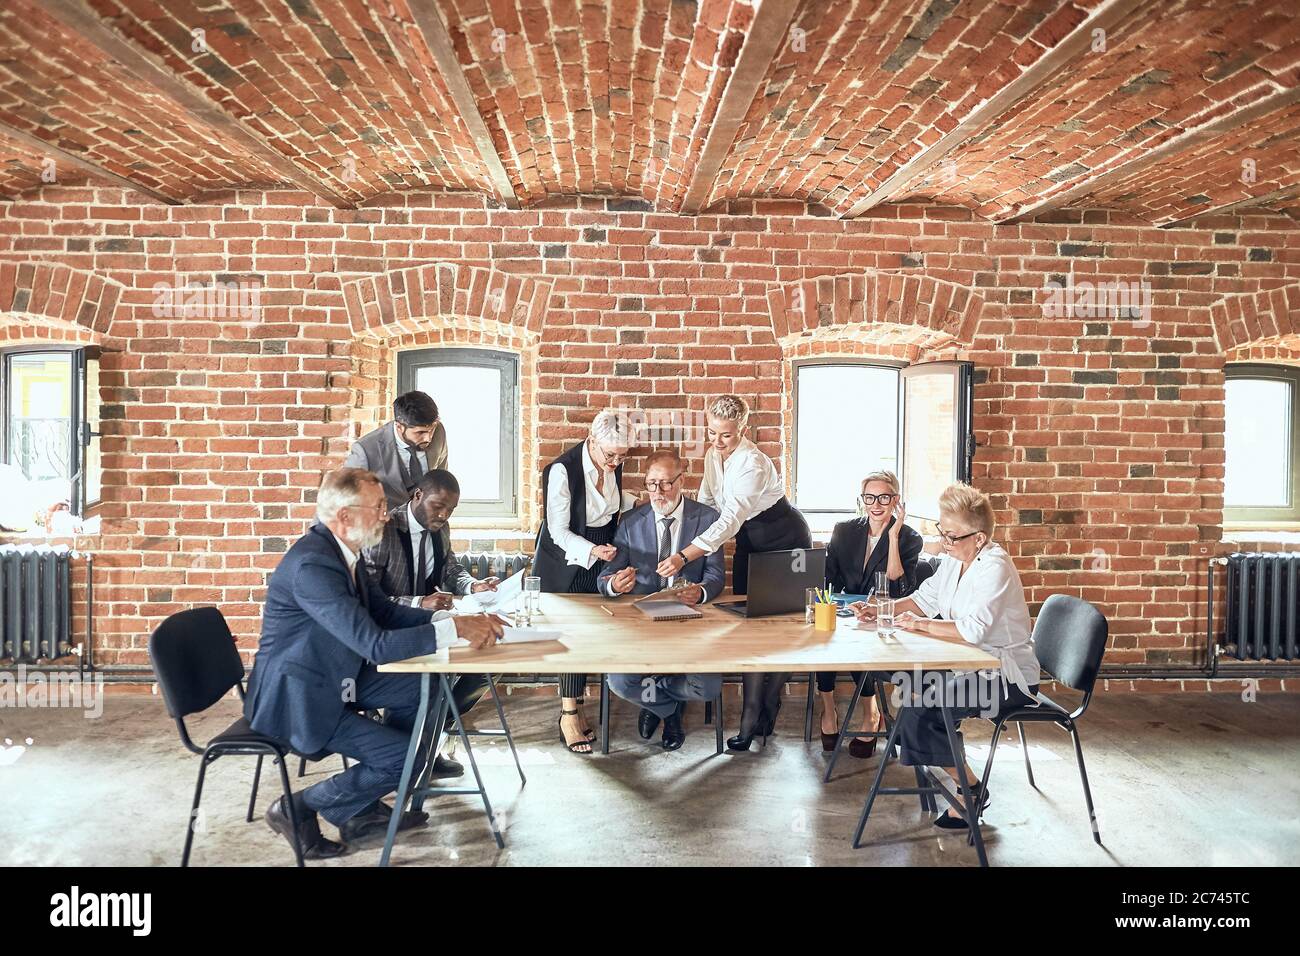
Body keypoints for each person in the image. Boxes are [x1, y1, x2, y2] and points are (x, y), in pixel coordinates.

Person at [244, 468, 506, 858]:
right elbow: (376, 644)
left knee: (429, 687)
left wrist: (452, 621)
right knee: (408, 757)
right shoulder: (313, 567)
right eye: (379, 506)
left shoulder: (341, 550)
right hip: (300, 697)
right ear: (346, 516)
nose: (387, 515)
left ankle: (363, 800)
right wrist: (457, 631)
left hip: (338, 674)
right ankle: (299, 806)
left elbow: (382, 611)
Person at [851, 482, 1040, 829]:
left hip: (1006, 676)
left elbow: (973, 630)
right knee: (907, 689)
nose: (945, 542)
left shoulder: (994, 567)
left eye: (952, 536)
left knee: (922, 708)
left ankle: (970, 790)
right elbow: (924, 599)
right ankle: (954, 772)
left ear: (979, 538)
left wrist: (920, 626)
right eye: (943, 532)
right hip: (968, 665)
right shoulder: (955, 560)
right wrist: (882, 612)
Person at [657, 395, 812, 752]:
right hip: (750, 544)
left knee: (783, 630)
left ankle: (763, 709)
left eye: (725, 435)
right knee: (749, 628)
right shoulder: (714, 455)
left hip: (786, 542)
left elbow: (730, 519)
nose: (716, 441)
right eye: (711, 432)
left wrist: (684, 555)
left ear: (741, 429)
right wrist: (682, 529)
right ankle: (753, 710)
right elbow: (710, 505)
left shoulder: (752, 463)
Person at [362, 468, 501, 779]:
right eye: (438, 506)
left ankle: (430, 738)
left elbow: (452, 569)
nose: (443, 515)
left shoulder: (441, 527)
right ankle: (409, 752)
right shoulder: (384, 529)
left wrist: (472, 585)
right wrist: (417, 603)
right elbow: (369, 600)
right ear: (418, 496)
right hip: (392, 630)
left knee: (487, 661)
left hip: (433, 624)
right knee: (433, 680)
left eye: (451, 509)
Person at [597, 449, 726, 751]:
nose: (659, 492)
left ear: (683, 480)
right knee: (618, 682)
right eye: (652, 484)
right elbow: (605, 577)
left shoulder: (707, 519)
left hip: (689, 621)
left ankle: (656, 697)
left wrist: (701, 591)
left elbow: (716, 576)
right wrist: (615, 584)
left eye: (667, 483)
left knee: (708, 686)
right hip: (641, 624)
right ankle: (669, 711)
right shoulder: (630, 521)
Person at [533, 409, 633, 754]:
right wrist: (594, 551)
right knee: (572, 635)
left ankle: (584, 705)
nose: (616, 462)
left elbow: (610, 507)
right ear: (592, 441)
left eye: (622, 456)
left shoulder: (613, 461)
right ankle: (569, 713)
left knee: (598, 630)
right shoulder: (562, 470)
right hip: (570, 556)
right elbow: (558, 530)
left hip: (603, 549)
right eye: (610, 455)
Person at [817, 471, 923, 758]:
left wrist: (893, 535)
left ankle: (871, 714)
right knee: (822, 640)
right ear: (862, 499)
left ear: (896, 501)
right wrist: (835, 605)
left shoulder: (910, 538)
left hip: (883, 618)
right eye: (870, 497)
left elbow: (900, 588)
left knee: (859, 646)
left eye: (884, 497)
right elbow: (828, 579)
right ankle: (828, 711)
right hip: (844, 611)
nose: (876, 504)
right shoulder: (844, 530)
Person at [344, 391, 448, 511]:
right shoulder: (366, 450)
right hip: (388, 525)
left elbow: (441, 475)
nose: (428, 438)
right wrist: (319, 529)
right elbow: (342, 494)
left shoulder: (439, 431)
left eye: (431, 430)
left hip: (430, 524)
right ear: (399, 427)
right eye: (420, 432)